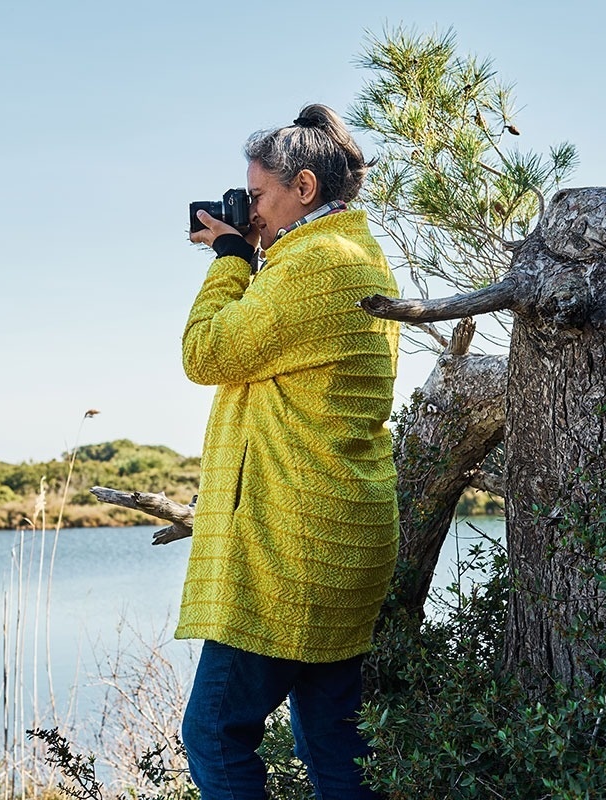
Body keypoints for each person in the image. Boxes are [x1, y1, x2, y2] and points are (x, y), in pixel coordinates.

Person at [178, 103, 399, 800]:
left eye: (260, 195)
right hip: (333, 538)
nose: (252, 212)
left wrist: (230, 261)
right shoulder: (348, 255)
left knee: (214, 733)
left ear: (304, 189)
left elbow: (205, 352)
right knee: (333, 743)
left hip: (290, 549)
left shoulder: (314, 266)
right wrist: (252, 254)